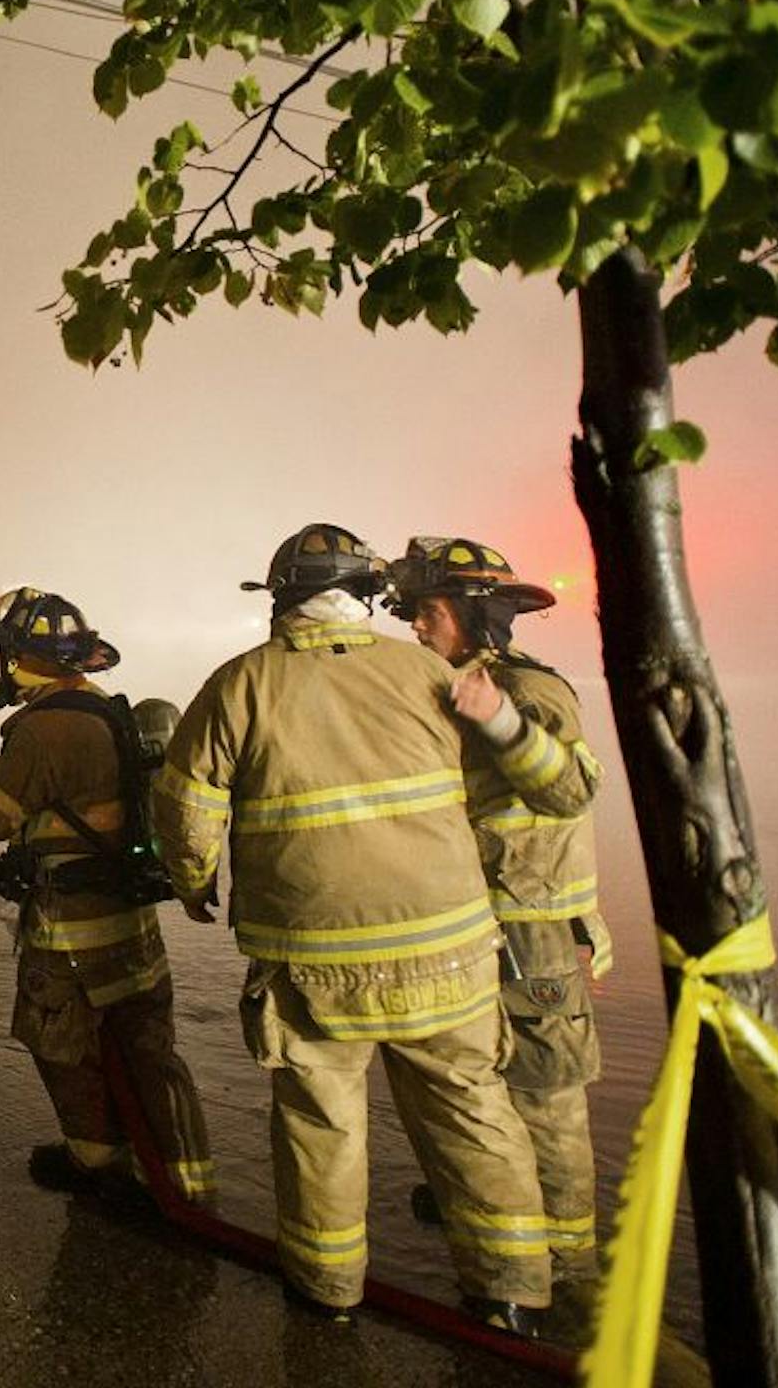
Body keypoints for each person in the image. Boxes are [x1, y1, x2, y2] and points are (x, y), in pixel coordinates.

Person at [149, 525, 550, 1332]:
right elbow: (511, 793)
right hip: (451, 950)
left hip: (313, 965)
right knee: (472, 1109)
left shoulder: (240, 685)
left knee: (320, 1121)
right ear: (369, 596)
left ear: (281, 600)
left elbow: (186, 810)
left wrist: (194, 885)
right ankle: (512, 1293)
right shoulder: (429, 672)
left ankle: (327, 1293)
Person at [0, 587, 215, 1204]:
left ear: (20, 658)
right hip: (130, 925)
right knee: (147, 1050)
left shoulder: (43, 730)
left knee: (61, 1043)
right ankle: (187, 1187)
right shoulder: (104, 710)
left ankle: (95, 1160)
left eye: (3, 655)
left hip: (71, 933)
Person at [386, 536, 610, 1327]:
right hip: (481, 928)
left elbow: (571, 789)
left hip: (533, 936)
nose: (415, 627)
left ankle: (570, 1271)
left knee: (546, 1103)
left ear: (471, 616)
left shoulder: (525, 690)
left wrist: (504, 721)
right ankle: (508, 1228)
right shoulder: (454, 689)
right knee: (488, 1091)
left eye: (427, 613)